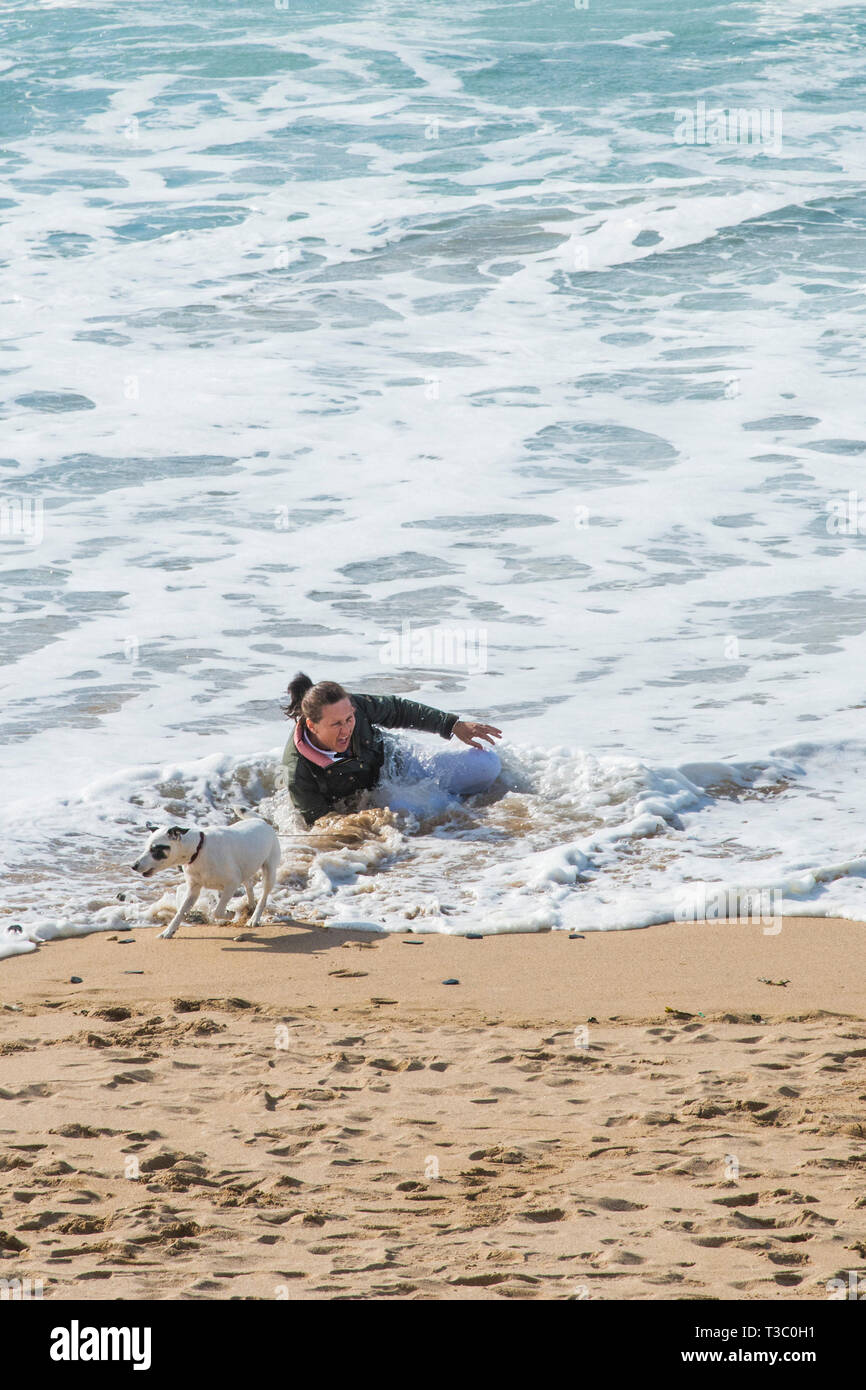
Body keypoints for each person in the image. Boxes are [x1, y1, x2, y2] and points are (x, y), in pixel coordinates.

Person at [281, 672, 502, 826]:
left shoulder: (354, 707)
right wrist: (365, 821)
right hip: (377, 802)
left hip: (395, 766)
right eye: (336, 724)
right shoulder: (298, 772)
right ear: (312, 725)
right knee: (406, 814)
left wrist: (452, 725)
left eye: (349, 719)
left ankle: (456, 802)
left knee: (487, 765)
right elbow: (323, 824)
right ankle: (446, 804)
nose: (346, 729)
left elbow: (398, 710)